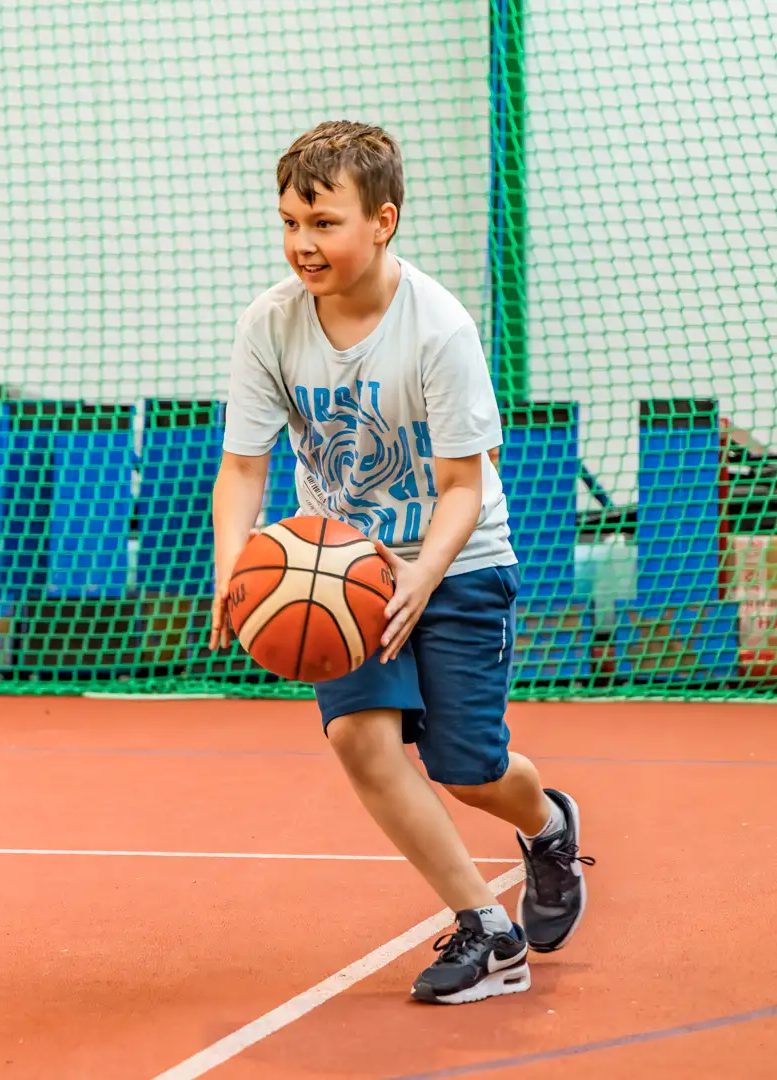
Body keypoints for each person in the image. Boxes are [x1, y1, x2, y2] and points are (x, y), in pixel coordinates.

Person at [210, 120, 591, 1005]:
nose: (303, 244)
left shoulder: (439, 329)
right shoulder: (270, 324)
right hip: (340, 569)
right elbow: (242, 468)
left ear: (382, 222)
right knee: (360, 738)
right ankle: (487, 930)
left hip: (457, 562)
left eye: (324, 223)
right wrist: (234, 566)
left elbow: (462, 486)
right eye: (290, 223)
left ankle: (547, 825)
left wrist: (422, 576)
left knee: (468, 771)